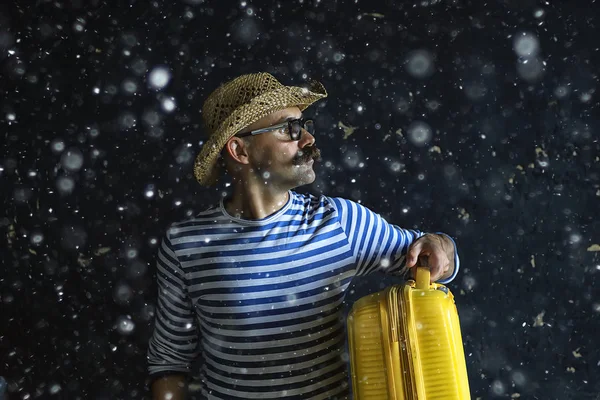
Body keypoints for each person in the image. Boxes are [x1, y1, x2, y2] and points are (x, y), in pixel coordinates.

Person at [146, 72, 460, 400]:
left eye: (305, 125)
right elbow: (169, 361)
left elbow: (435, 260)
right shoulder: (185, 245)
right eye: (289, 128)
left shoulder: (340, 223)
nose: (308, 140)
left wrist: (441, 244)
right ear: (240, 150)